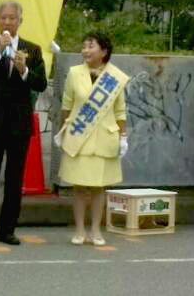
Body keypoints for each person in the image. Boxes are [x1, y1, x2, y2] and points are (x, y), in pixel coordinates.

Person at [0, 0, 47, 246]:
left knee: (14, 180)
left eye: (12, 18)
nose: (7, 22)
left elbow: (40, 83)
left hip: (18, 123)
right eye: (3, 17)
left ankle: (7, 230)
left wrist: (24, 70)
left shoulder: (31, 49)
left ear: (20, 21)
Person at [57, 33, 128, 246]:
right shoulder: (74, 73)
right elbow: (67, 105)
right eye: (84, 46)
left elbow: (120, 111)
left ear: (104, 51)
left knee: (99, 188)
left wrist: (123, 136)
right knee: (79, 187)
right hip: (79, 137)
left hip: (104, 138)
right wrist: (63, 131)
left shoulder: (114, 77)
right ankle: (79, 230)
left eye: (91, 46)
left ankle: (96, 230)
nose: (86, 51)